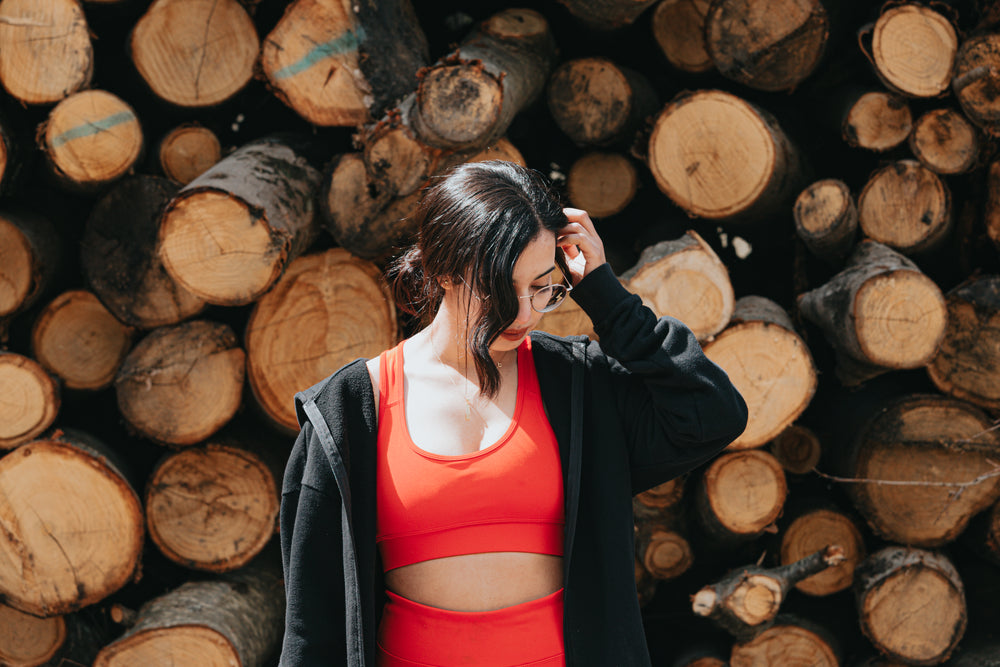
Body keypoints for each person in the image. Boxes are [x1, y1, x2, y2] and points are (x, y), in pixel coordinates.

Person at [278, 160, 748, 666]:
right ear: (443, 269)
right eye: (503, 289)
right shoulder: (349, 412)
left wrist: (606, 297)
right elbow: (313, 628)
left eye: (543, 287)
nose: (524, 313)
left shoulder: (576, 386)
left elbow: (711, 414)